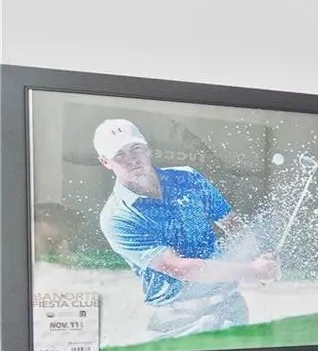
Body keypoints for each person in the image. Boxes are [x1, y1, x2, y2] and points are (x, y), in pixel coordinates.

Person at [94, 118, 278, 337]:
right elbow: (177, 267)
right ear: (105, 162)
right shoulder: (117, 217)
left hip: (229, 306)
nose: (132, 159)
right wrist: (251, 271)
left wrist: (257, 259)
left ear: (147, 148)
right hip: (177, 323)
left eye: (136, 148)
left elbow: (232, 223)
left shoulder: (188, 178)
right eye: (119, 155)